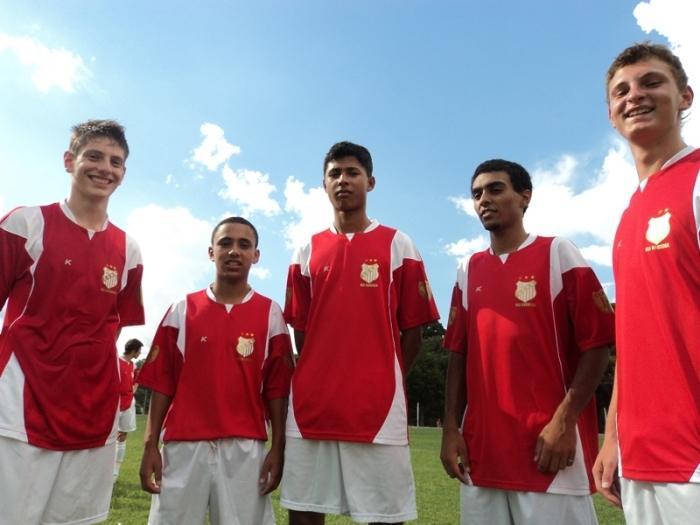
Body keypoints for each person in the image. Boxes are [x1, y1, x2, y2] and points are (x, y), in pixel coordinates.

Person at [441, 159, 614, 525]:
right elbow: (458, 353)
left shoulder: (558, 253)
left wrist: (564, 420)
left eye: (495, 189)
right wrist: (451, 428)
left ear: (525, 197)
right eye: (477, 194)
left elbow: (598, 344)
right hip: (481, 453)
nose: (484, 199)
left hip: (548, 450)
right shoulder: (468, 269)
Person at [282, 141, 440, 524]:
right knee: (304, 511)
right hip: (311, 406)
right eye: (334, 174)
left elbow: (414, 332)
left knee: (384, 515)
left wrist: (386, 375)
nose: (343, 180)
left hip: (379, 407)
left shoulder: (399, 244)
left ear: (370, 182)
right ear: (323, 184)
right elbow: (301, 331)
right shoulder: (306, 250)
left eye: (352, 173)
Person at [0, 119, 144, 525]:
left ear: (123, 172)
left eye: (115, 161)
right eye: (94, 156)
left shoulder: (129, 250)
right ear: (69, 161)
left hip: (92, 415)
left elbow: (111, 329)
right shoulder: (24, 224)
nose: (105, 168)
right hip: (19, 407)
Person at [593, 42, 700, 523]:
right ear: (612, 116)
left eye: (651, 82)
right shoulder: (628, 215)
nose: (634, 95)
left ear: (685, 96)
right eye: (621, 91)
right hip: (641, 458)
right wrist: (613, 435)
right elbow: (632, 338)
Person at [138, 216, 294, 525]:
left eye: (244, 245)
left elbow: (277, 389)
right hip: (183, 445)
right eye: (225, 243)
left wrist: (278, 447)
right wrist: (149, 445)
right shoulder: (182, 309)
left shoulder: (271, 313)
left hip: (245, 448)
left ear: (256, 255)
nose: (234, 251)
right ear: (211, 252)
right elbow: (162, 383)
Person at [114, 338, 144, 482]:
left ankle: (115, 473)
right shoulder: (116, 362)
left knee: (123, 436)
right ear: (133, 350)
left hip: (128, 404)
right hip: (114, 404)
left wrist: (132, 392)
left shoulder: (133, 366)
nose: (140, 353)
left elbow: (136, 381)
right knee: (110, 436)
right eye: (139, 351)